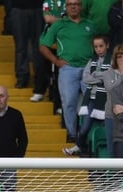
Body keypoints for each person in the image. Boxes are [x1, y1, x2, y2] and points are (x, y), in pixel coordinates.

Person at [38, 0, 95, 143]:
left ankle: (85, 134)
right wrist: (56, 61)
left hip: (88, 69)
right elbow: (43, 46)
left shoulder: (90, 25)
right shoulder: (58, 25)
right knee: (69, 102)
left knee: (91, 102)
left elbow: (101, 45)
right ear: (66, 7)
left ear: (81, 6)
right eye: (70, 4)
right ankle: (72, 134)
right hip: (68, 69)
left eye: (76, 4)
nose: (73, 6)